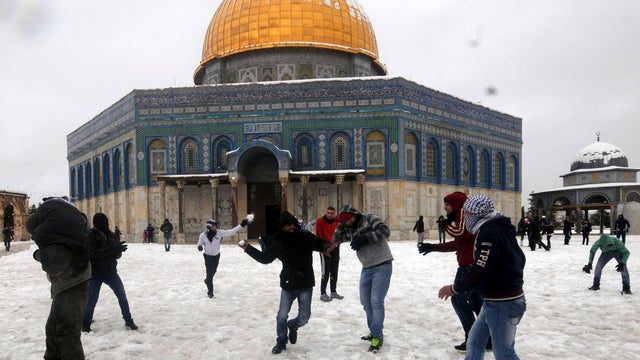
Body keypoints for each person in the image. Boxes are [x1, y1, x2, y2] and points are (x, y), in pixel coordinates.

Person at [438, 194, 526, 360]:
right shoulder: (497, 229)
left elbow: (480, 270)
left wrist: (454, 288)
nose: (466, 218)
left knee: (504, 353)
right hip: (494, 300)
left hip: (503, 303)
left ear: (479, 214)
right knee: (475, 341)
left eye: (468, 215)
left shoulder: (490, 234)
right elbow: (520, 259)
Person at [239, 211, 335, 354]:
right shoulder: (278, 242)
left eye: (293, 225)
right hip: (288, 284)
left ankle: (293, 325)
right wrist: (248, 248)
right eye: (287, 225)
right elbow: (265, 258)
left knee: (304, 318)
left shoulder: (305, 237)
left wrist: (327, 247)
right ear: (282, 227)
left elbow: (318, 242)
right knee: (281, 315)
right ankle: (281, 340)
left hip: (305, 283)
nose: (291, 227)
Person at [419, 191, 486, 352]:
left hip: (469, 267)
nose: (445, 207)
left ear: (456, 204)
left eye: (448, 204)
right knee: (477, 303)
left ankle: (473, 339)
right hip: (471, 265)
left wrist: (446, 225)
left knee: (458, 300)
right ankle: (486, 339)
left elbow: (461, 234)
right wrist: (433, 247)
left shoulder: (463, 213)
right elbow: (458, 243)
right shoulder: (462, 217)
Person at [26, 197, 91, 359]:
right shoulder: (61, 222)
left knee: (67, 330)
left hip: (73, 282)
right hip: (71, 280)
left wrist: (38, 255)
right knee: (53, 327)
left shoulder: (44, 234)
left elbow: (52, 264)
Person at [332, 204, 393, 353]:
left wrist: (365, 238)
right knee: (365, 302)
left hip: (383, 265)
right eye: (345, 220)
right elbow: (336, 239)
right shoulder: (350, 229)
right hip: (366, 268)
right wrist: (340, 223)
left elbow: (385, 231)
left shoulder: (369, 218)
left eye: (348, 219)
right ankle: (374, 330)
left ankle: (377, 336)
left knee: (376, 301)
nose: (348, 223)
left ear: (355, 214)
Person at [82, 213, 138, 332]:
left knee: (121, 295)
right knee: (92, 299)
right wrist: (111, 249)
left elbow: (116, 255)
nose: (105, 225)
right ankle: (85, 323)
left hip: (110, 271)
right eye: (103, 223)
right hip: (96, 273)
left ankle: (128, 320)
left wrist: (118, 250)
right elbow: (93, 254)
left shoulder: (111, 235)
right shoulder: (91, 236)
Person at [197, 217, 249, 298]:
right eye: (213, 226)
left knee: (213, 271)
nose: (215, 228)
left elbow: (231, 231)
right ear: (209, 227)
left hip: (216, 256)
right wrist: (199, 247)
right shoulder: (203, 235)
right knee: (209, 274)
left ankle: (207, 280)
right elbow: (199, 243)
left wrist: (241, 225)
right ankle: (210, 292)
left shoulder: (219, 233)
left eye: (216, 226)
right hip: (207, 257)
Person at [315, 206, 344, 302]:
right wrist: (324, 248)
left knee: (334, 270)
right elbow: (318, 236)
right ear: (325, 212)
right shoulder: (320, 221)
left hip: (335, 247)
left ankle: (333, 291)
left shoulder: (338, 220)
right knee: (325, 271)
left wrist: (336, 244)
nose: (330, 215)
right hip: (325, 249)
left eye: (332, 213)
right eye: (328, 213)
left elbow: (341, 233)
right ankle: (323, 293)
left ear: (334, 213)